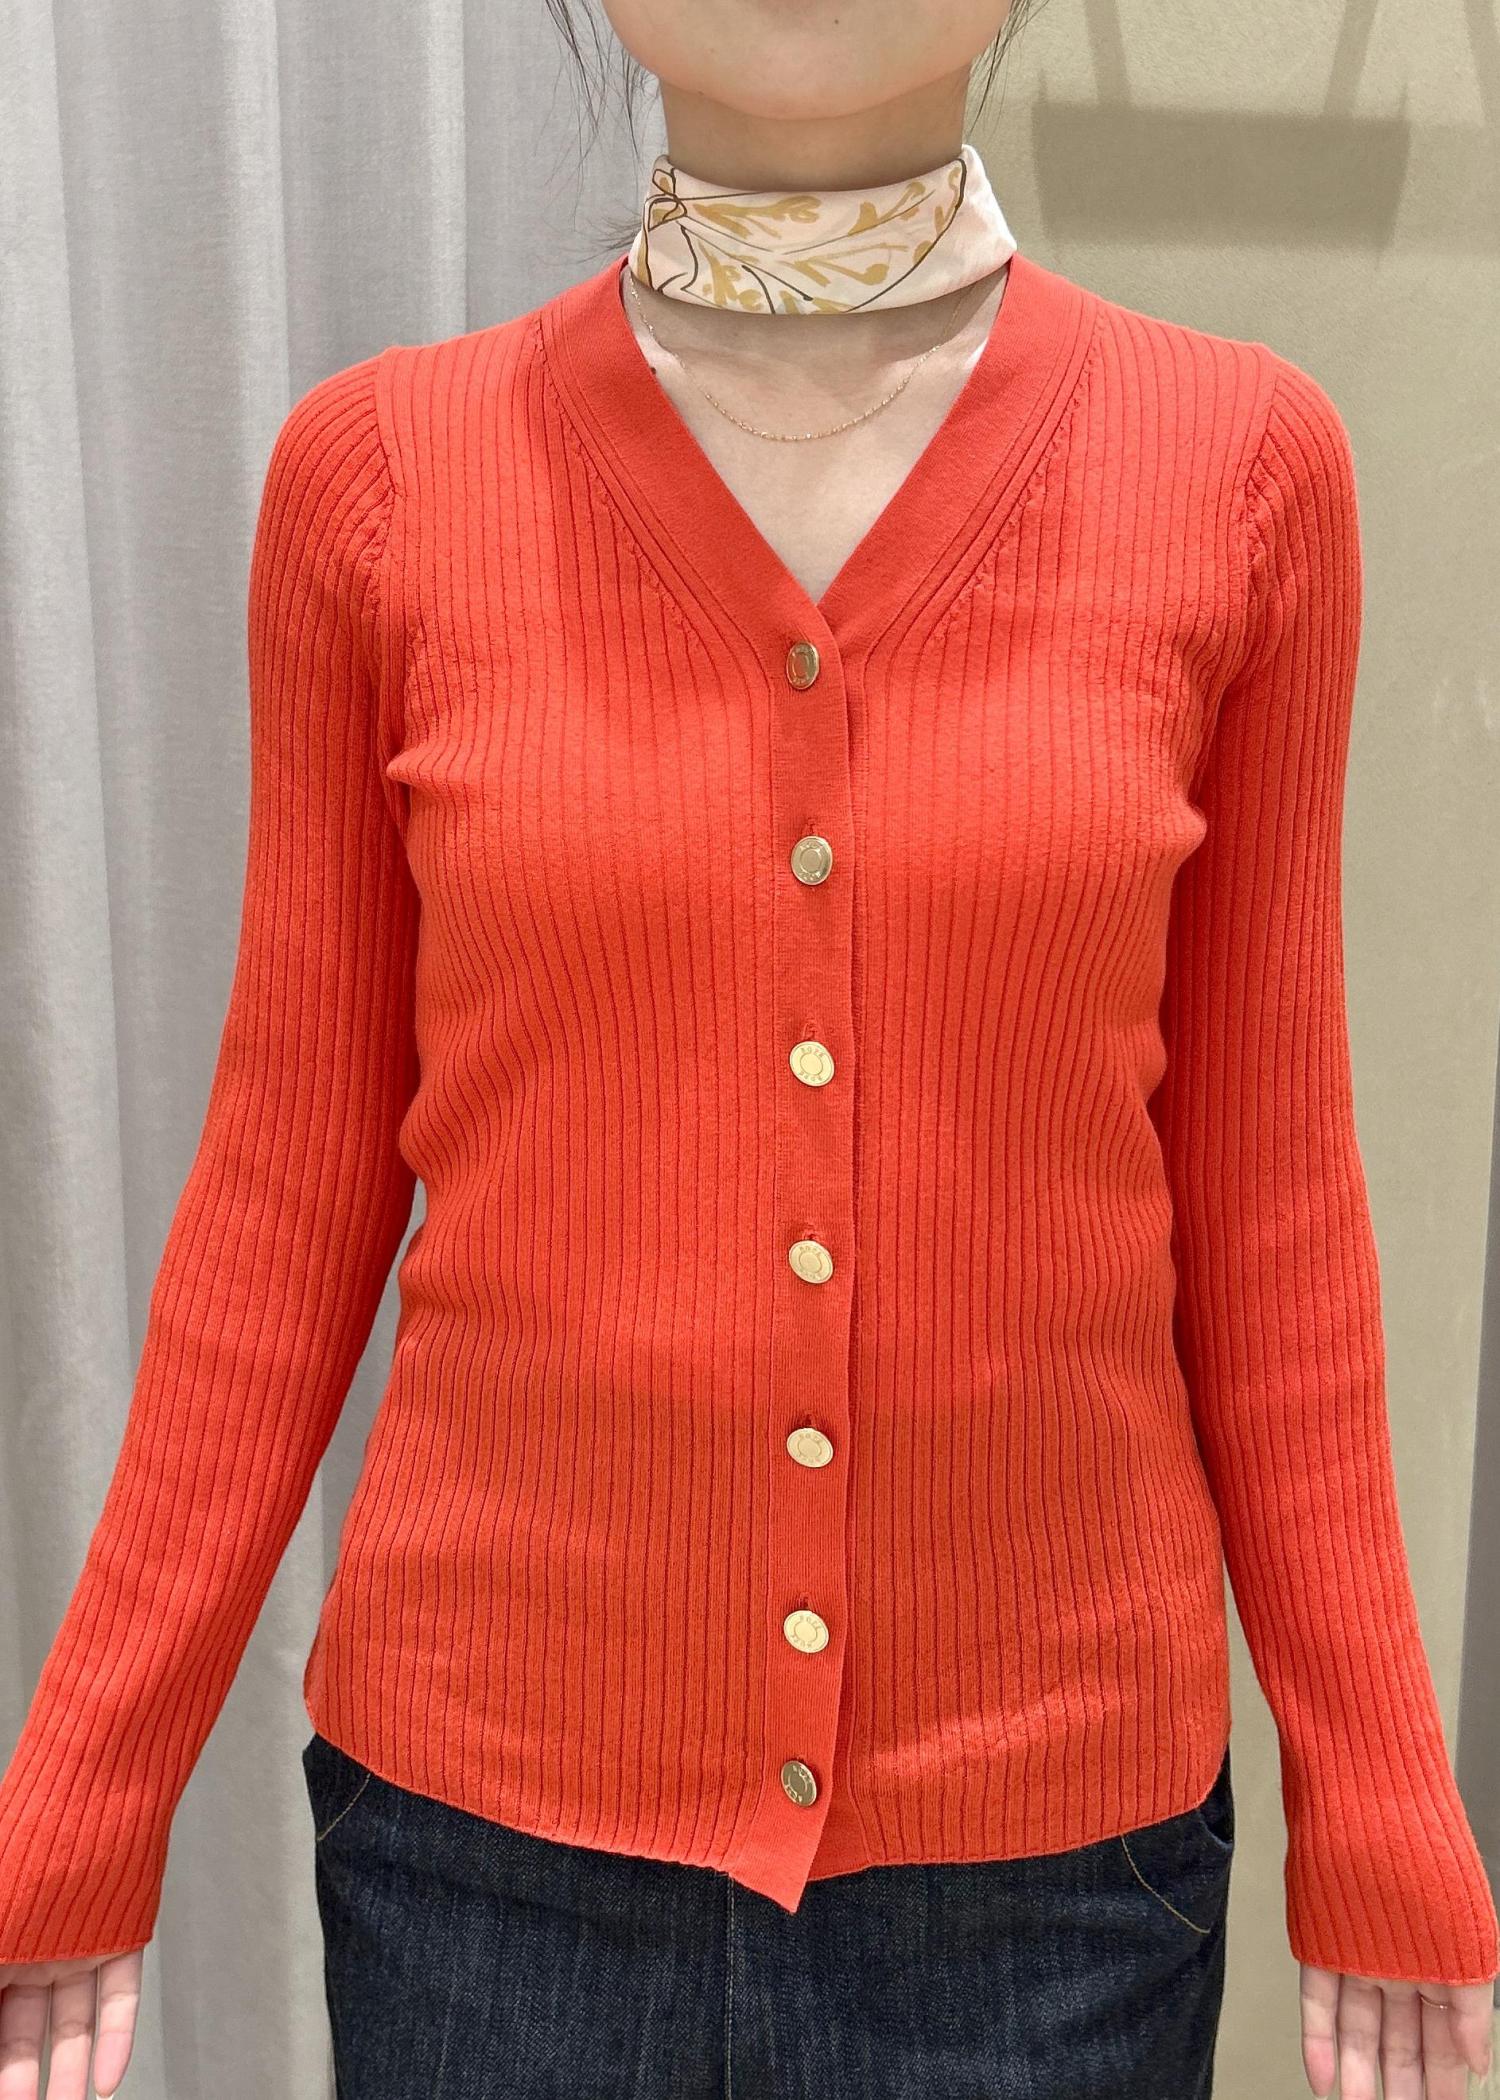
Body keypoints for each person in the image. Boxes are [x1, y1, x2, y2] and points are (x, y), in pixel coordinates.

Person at [1, 2, 1496, 2095]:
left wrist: (1383, 1788)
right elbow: (283, 1192)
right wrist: (84, 1787)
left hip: (1052, 1885)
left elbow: (1271, 1213)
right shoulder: (382, 480)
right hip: (488, 1867)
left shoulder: (1241, 469)